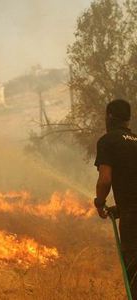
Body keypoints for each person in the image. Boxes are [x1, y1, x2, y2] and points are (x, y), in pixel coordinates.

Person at [94, 99, 137, 298]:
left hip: (132, 218)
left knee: (134, 269)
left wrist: (100, 202)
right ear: (128, 119)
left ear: (109, 116)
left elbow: (105, 180)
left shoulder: (107, 141)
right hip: (129, 210)